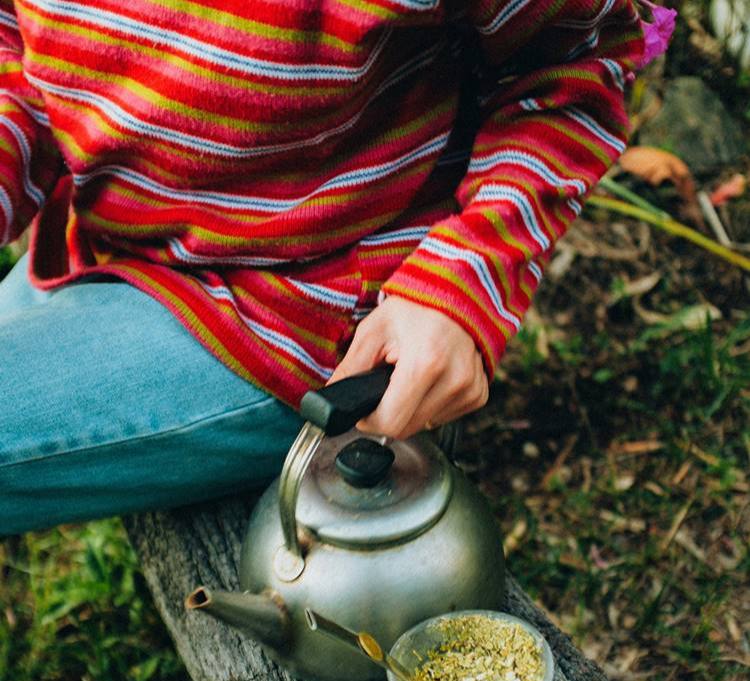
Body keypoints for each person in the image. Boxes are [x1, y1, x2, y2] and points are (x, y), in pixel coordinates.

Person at [0, 0, 645, 536]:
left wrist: (466, 276)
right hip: (106, 245)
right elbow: (18, 42)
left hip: (301, 317)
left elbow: (576, 59)